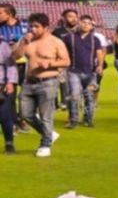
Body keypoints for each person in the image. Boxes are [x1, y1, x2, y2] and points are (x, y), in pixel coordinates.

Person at [13, 14, 68, 157]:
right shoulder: (27, 40)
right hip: (29, 82)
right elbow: (15, 57)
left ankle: (45, 144)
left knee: (46, 116)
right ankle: (49, 134)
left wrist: (50, 63)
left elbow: (66, 61)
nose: (33, 29)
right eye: (31, 26)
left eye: (37, 26)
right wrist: (23, 43)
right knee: (25, 114)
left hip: (48, 81)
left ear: (46, 27)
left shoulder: (55, 42)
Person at [65, 13, 106, 129]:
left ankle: (88, 119)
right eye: (84, 22)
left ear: (92, 26)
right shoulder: (70, 37)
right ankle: (73, 120)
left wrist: (100, 66)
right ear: (79, 23)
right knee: (74, 95)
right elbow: (63, 52)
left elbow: (99, 53)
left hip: (91, 72)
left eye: (89, 23)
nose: (86, 25)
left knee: (89, 95)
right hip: (74, 71)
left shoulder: (95, 39)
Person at [0, 26, 18, 154]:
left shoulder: (3, 45)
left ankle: (9, 143)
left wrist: (10, 82)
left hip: (1, 85)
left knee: (4, 116)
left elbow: (10, 65)